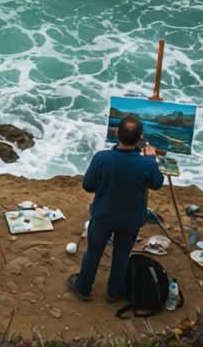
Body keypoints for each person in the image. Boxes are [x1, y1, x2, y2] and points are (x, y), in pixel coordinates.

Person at [69, 115, 164, 302]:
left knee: (94, 252)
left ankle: (83, 288)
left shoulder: (102, 158)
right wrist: (152, 160)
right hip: (131, 218)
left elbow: (88, 186)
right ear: (140, 138)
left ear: (116, 134)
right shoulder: (146, 163)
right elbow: (157, 184)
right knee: (121, 254)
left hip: (103, 214)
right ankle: (114, 292)